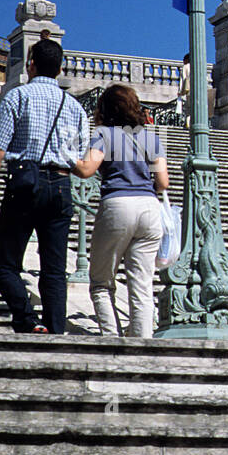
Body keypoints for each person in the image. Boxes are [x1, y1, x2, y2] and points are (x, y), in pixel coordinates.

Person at [0, 38, 88, 334]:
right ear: (60, 68)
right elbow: (80, 156)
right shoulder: (74, 107)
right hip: (61, 185)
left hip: (25, 183)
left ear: (31, 64)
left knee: (4, 264)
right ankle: (56, 330)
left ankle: (27, 319)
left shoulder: (17, 97)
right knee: (54, 269)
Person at [72, 85, 169, 338]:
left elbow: (86, 170)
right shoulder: (150, 137)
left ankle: (112, 339)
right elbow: (163, 183)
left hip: (117, 204)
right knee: (142, 284)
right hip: (149, 208)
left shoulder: (104, 134)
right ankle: (142, 342)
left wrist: (64, 157)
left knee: (102, 283)